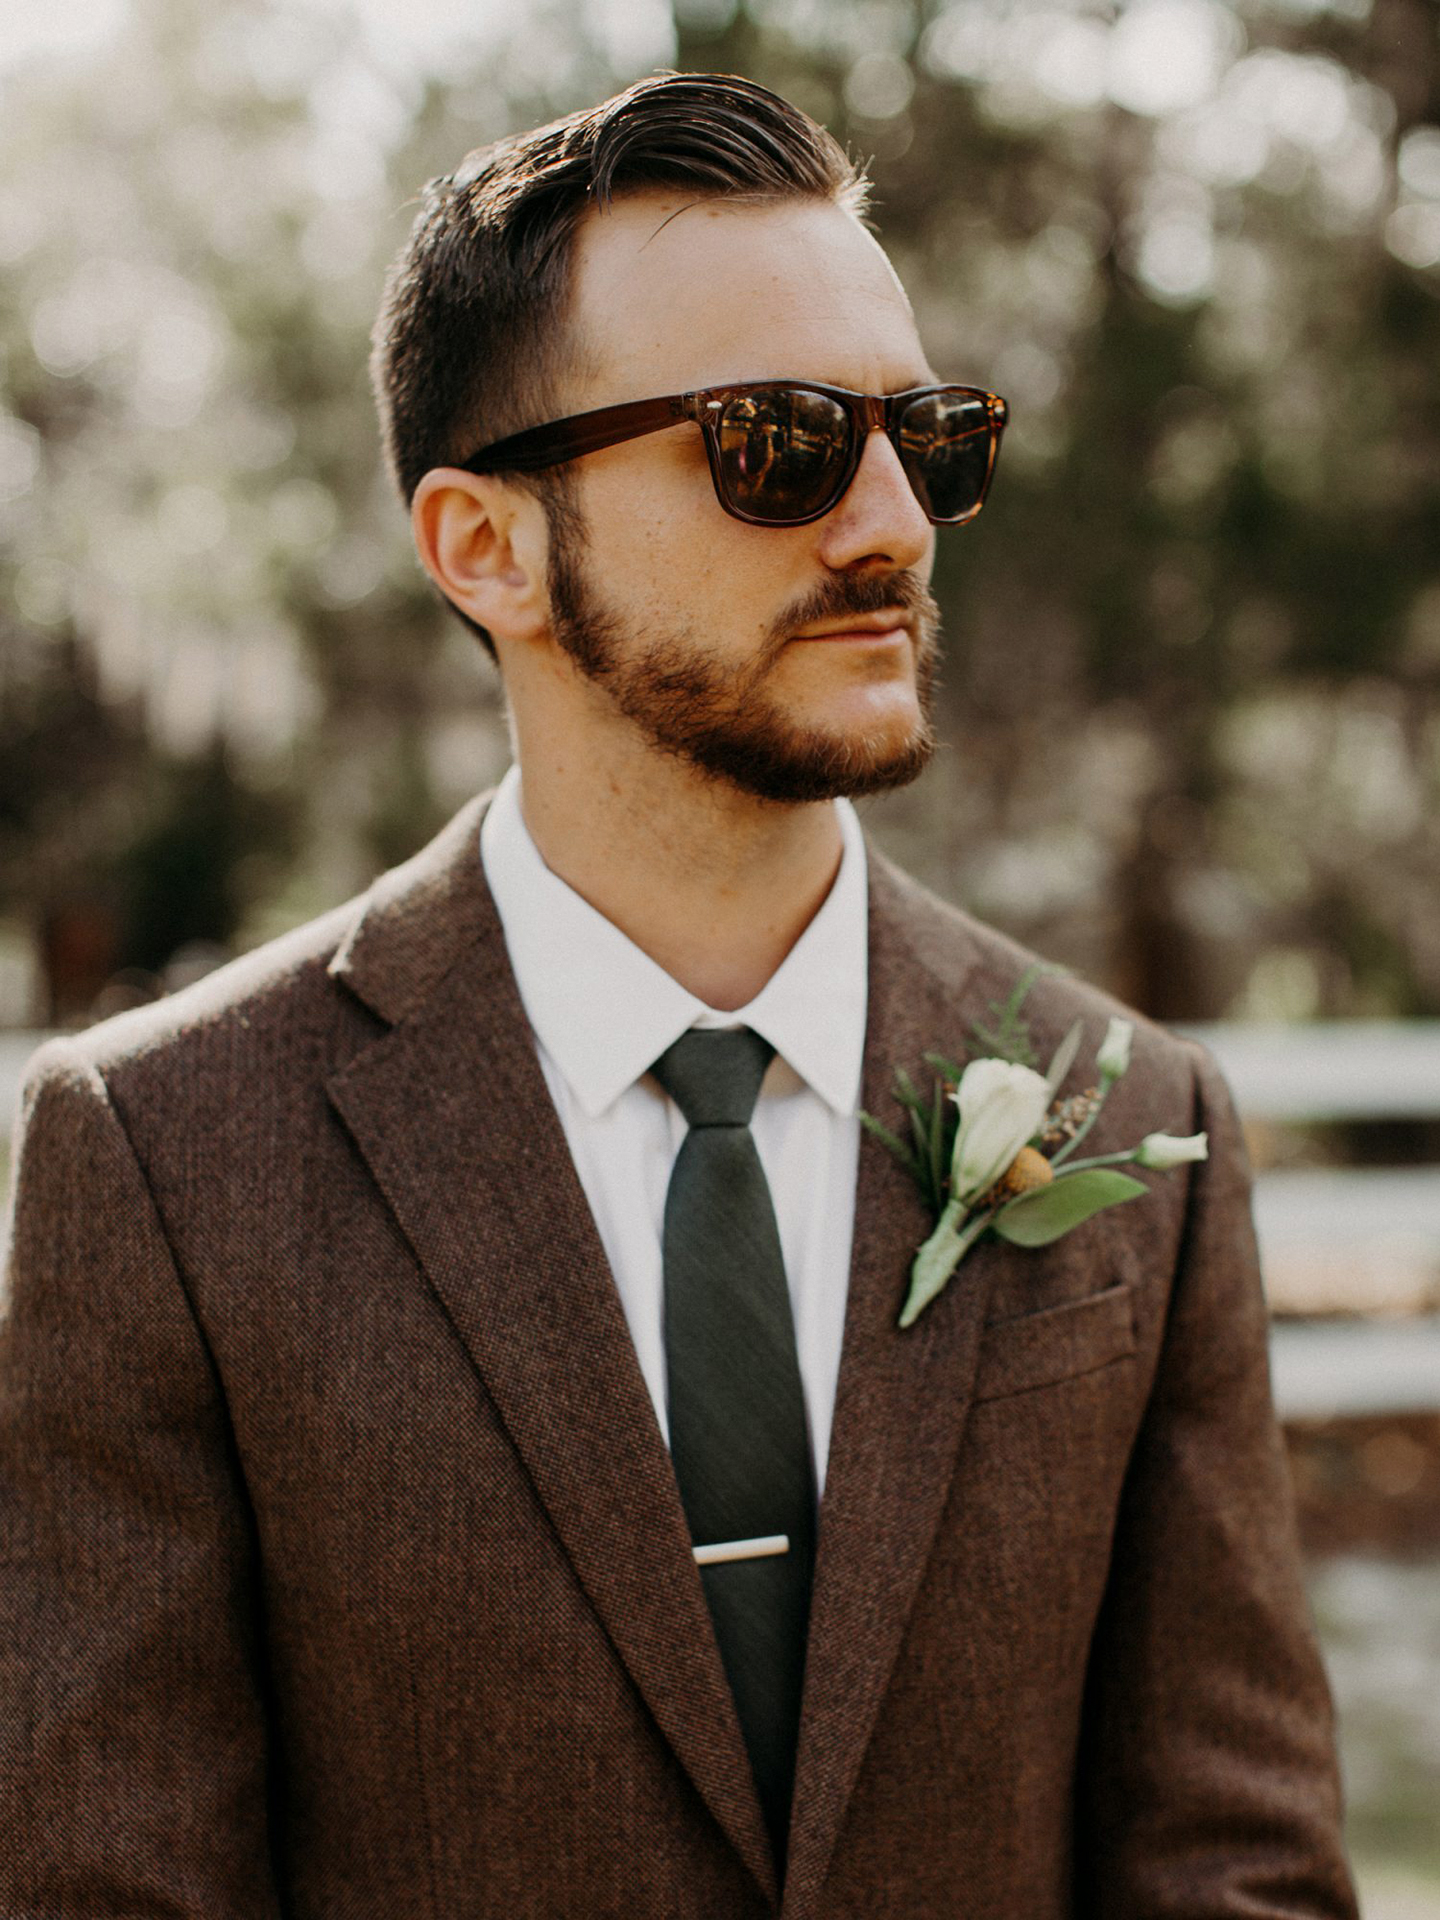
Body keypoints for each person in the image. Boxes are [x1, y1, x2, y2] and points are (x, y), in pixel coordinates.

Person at [0, 71, 1358, 1918]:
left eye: (928, 435)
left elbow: (1237, 1875)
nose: (892, 523)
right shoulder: (158, 1161)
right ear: (487, 546)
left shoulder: (1137, 1121)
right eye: (777, 440)